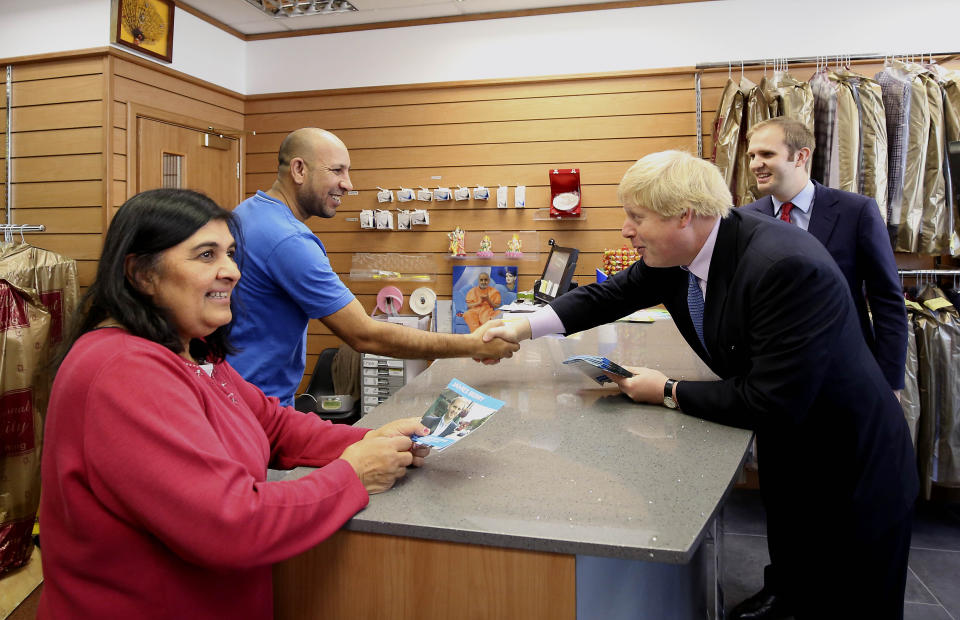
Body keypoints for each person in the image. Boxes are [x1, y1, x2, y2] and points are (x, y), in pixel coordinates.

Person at [484, 150, 918, 619]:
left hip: (849, 459)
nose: (626, 230)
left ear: (683, 215)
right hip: (793, 448)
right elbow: (609, 295)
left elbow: (768, 401)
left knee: (855, 596)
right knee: (796, 555)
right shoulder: (681, 254)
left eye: (636, 217)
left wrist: (667, 390)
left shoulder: (783, 265)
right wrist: (521, 329)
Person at [39, 189, 433, 619]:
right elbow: (231, 524)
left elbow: (276, 426)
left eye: (229, 253)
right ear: (142, 273)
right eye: (206, 255)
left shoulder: (191, 351)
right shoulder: (123, 371)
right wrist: (353, 474)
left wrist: (374, 438)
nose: (232, 271)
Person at [735, 117, 910, 619]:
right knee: (784, 495)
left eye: (767, 154)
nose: (756, 164)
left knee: (844, 500)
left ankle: (836, 597)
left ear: (801, 156)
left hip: (844, 388)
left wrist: (889, 381)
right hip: (777, 385)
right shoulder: (744, 218)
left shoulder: (854, 212)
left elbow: (887, 301)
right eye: (751, 155)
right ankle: (782, 590)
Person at [227, 128, 517, 404]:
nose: (348, 184)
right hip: (256, 408)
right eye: (337, 170)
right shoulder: (288, 240)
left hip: (232, 394)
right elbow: (364, 334)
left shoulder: (247, 213)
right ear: (299, 170)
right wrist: (474, 344)